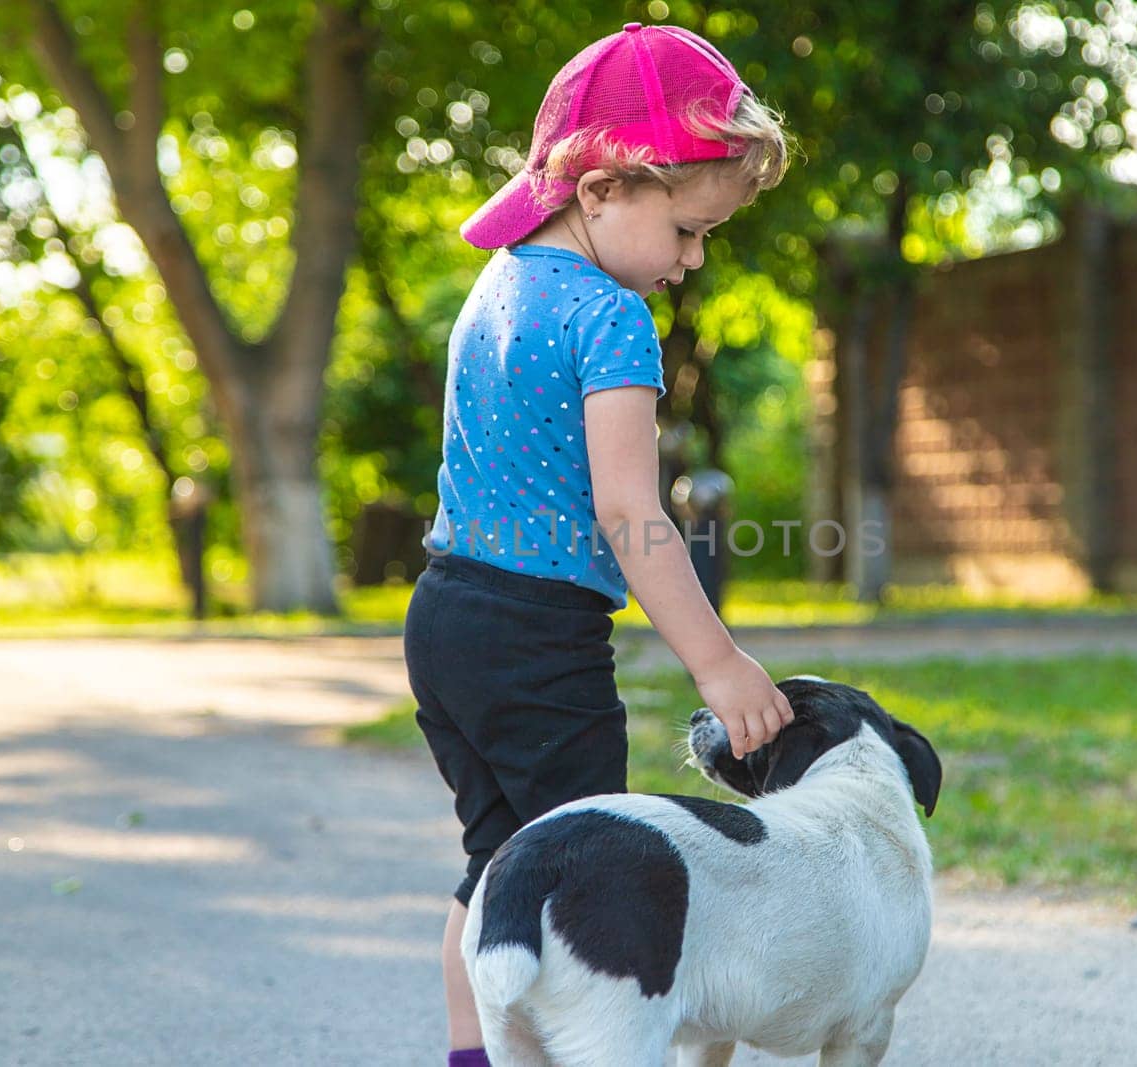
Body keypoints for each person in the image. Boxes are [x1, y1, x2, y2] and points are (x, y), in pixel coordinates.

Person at [403, 21, 795, 1067]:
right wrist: (719, 661)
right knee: (584, 871)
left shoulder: (495, 286)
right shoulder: (609, 318)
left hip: (444, 615)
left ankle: (476, 1054)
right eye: (685, 229)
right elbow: (632, 517)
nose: (691, 258)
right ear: (602, 189)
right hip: (536, 637)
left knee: (497, 862)